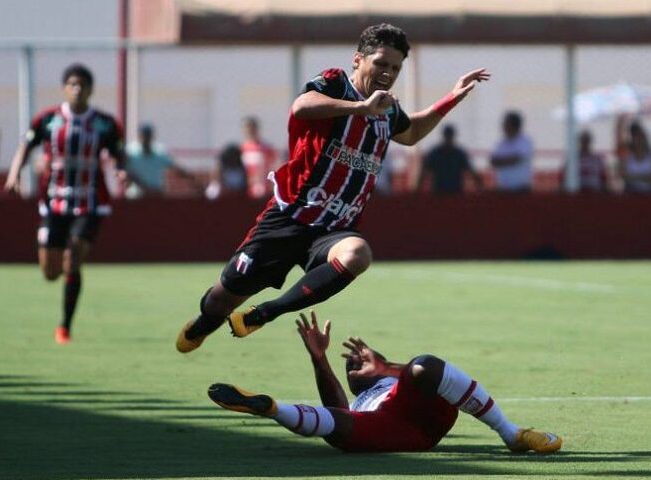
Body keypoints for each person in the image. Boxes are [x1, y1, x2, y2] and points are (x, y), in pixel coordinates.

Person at [176, 23, 490, 353]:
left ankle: (267, 312)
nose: (388, 73)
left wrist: (452, 97)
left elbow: (410, 134)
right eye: (381, 63)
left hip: (334, 230)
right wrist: (360, 107)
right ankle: (205, 323)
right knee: (220, 298)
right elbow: (301, 106)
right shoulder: (336, 84)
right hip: (289, 218)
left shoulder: (387, 110)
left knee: (358, 254)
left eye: (395, 67)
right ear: (358, 60)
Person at [209, 311, 562, 454]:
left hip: (420, 410)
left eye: (359, 358)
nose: (352, 363)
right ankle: (271, 407)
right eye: (348, 365)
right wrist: (319, 359)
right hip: (385, 426)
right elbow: (339, 409)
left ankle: (511, 434)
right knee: (336, 429)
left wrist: (388, 366)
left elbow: (421, 375)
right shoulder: (360, 405)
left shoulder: (398, 377)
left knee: (424, 365)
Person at [5, 63, 126, 344]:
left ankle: (65, 327)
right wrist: (14, 173)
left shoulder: (105, 123)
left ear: (91, 89)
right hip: (54, 201)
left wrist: (121, 169)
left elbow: (119, 154)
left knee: (73, 259)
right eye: (72, 84)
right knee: (50, 271)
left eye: (82, 84)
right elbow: (26, 145)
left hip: (90, 202)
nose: (77, 89)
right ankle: (63, 274)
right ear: (64, 88)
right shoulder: (48, 120)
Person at [125, 123, 199, 197]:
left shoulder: (160, 152)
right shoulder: (131, 152)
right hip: (136, 194)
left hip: (155, 192)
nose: (145, 139)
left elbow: (175, 168)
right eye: (144, 136)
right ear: (139, 136)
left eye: (148, 136)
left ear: (152, 137)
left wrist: (192, 179)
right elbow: (122, 171)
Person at [417, 124, 482, 194]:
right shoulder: (435, 153)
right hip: (438, 193)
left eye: (450, 136)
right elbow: (424, 171)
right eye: (447, 136)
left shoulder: (459, 154)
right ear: (444, 136)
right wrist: (417, 189)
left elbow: (471, 170)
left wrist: (480, 185)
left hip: (456, 192)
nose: (448, 139)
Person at [615, 116, 651, 194]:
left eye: (639, 135)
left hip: (649, 194)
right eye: (634, 136)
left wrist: (631, 177)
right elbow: (622, 176)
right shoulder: (625, 155)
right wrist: (646, 177)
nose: (637, 139)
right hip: (631, 194)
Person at [490, 111, 532, 193]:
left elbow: (517, 159)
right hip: (503, 190)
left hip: (521, 191)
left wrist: (501, 161)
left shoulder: (525, 141)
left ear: (514, 125)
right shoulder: (501, 143)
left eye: (506, 123)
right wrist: (506, 160)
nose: (503, 126)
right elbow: (493, 161)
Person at [240, 116, 278, 199]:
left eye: (251, 128)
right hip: (246, 189)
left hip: (263, 190)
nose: (249, 131)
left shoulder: (266, 148)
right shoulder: (242, 149)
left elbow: (273, 166)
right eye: (247, 129)